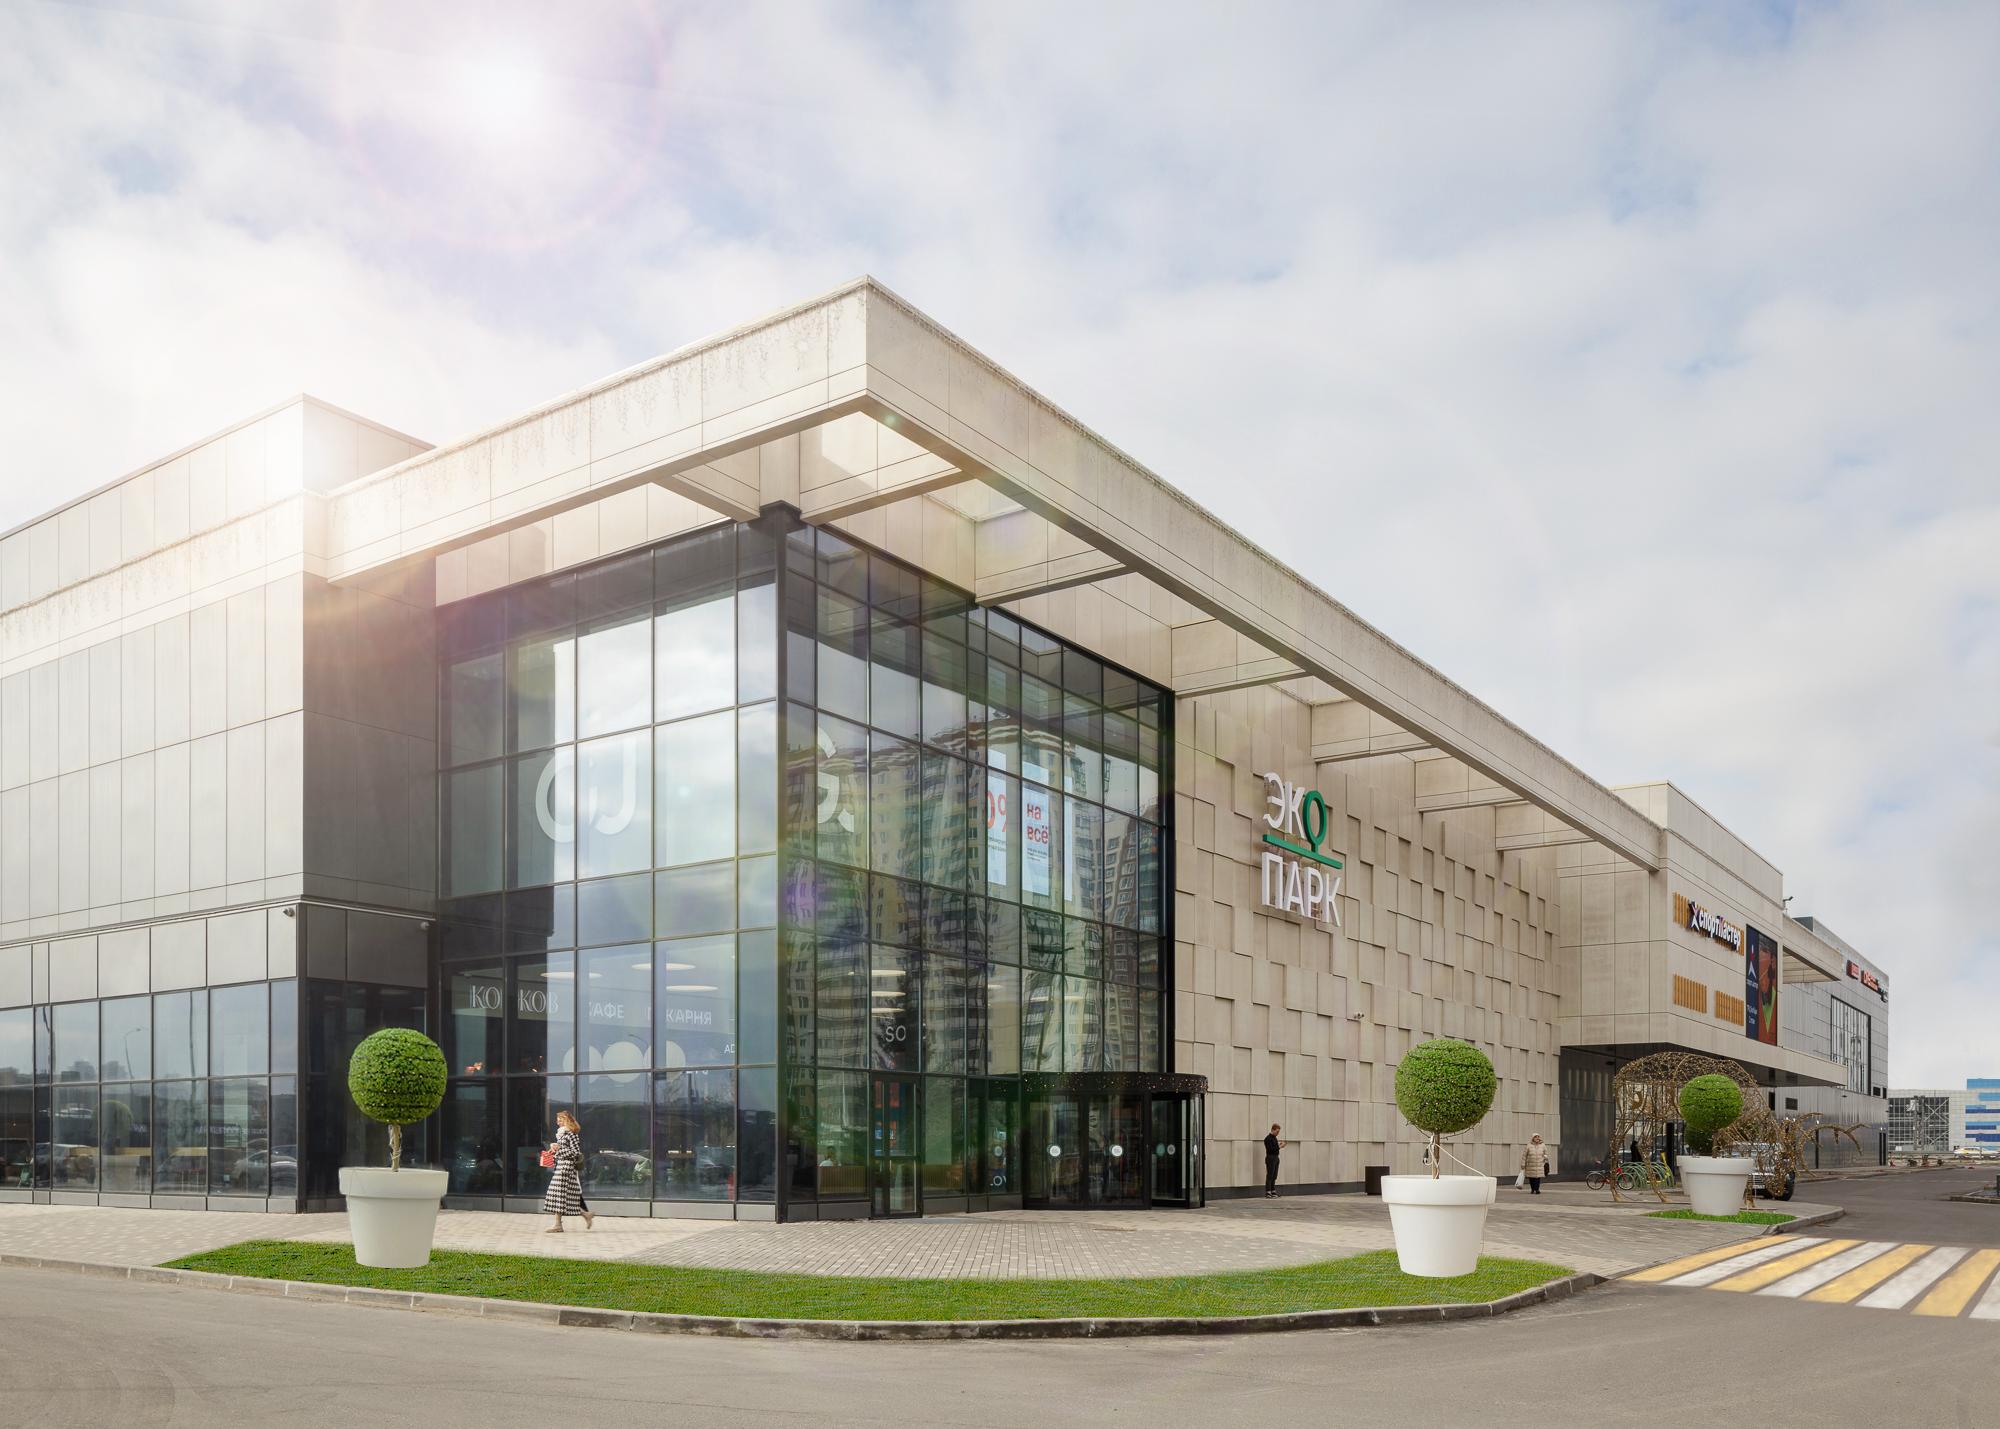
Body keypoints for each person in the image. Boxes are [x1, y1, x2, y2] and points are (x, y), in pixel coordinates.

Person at [543, 1109, 594, 1232]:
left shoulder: (572, 1134)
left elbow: (576, 1153)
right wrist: (553, 1151)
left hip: (566, 1168)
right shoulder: (562, 1134)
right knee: (566, 1196)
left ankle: (558, 1225)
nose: (558, 1122)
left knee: (558, 1195)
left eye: (560, 1120)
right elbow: (563, 1151)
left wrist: (559, 1148)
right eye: (557, 1120)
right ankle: (586, 1215)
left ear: (567, 1121)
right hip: (561, 1166)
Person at [1263, 1124, 1290, 1198]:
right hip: (1270, 1157)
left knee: (1274, 1175)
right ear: (1273, 1130)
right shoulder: (1268, 1138)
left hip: (1276, 1157)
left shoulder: (1274, 1138)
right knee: (1270, 1175)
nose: (1278, 1133)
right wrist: (1280, 1146)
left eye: (1278, 1132)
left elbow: (1275, 1148)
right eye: (1277, 1131)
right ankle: (1268, 1191)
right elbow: (1270, 1149)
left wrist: (1279, 1145)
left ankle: (1273, 1190)